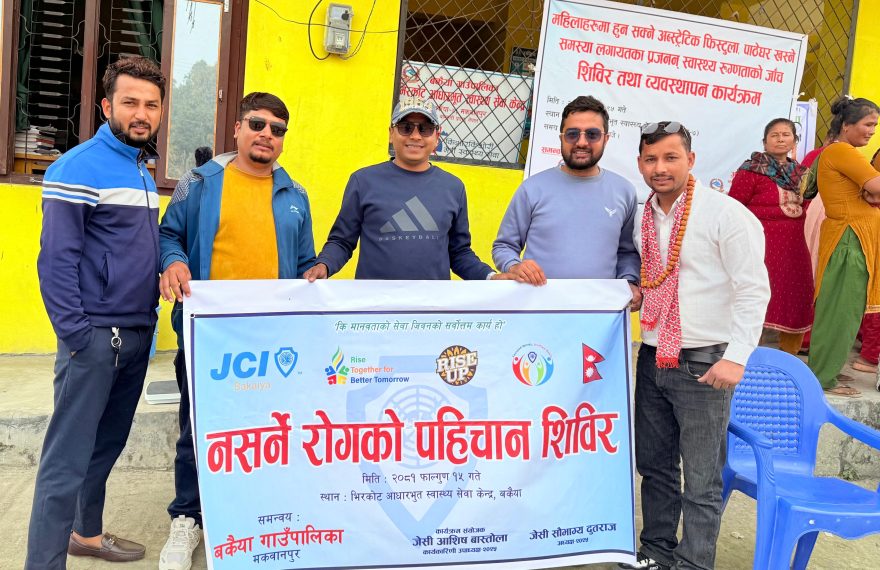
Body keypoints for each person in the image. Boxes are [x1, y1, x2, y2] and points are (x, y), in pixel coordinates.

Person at [158, 92, 315, 569]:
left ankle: (253, 514)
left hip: (272, 342)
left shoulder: (296, 195)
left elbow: (306, 262)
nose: (267, 135)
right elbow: (169, 234)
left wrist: (317, 275)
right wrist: (174, 262)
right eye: (258, 124)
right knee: (199, 427)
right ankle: (187, 517)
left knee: (266, 430)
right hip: (208, 335)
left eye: (277, 129)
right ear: (237, 128)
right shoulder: (199, 182)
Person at [27, 56, 166, 568]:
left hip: (136, 333)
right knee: (65, 462)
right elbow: (55, 261)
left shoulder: (139, 167)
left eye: (151, 104)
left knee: (104, 448)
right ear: (107, 106)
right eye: (130, 102)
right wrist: (79, 336)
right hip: (95, 341)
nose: (142, 113)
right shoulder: (77, 166)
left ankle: (85, 535)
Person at [622, 121, 770, 570]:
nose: (660, 168)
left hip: (705, 365)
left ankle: (694, 563)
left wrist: (737, 357)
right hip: (652, 357)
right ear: (640, 164)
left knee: (702, 479)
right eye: (651, 159)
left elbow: (753, 289)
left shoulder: (726, 215)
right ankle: (656, 552)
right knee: (655, 468)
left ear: (691, 160)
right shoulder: (643, 217)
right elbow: (655, 276)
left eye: (671, 157)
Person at [304, 96, 506, 281]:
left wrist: (490, 277)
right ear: (391, 133)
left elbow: (459, 253)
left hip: (431, 305)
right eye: (406, 127)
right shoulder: (363, 181)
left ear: (437, 136)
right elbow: (342, 241)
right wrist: (324, 265)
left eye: (425, 129)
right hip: (375, 304)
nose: (415, 136)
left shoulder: (453, 188)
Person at [492, 95, 641, 307]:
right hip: (539, 309)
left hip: (599, 312)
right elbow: (504, 246)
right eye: (572, 134)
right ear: (561, 137)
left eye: (592, 134)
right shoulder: (532, 189)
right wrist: (514, 266)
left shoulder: (624, 191)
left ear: (606, 139)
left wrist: (630, 281)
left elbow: (627, 252)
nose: (582, 142)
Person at [808, 96, 880, 397]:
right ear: (847, 125)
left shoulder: (842, 152)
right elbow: (876, 187)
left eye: (874, 126)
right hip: (850, 239)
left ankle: (827, 368)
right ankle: (823, 377)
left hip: (851, 237)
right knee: (841, 309)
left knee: (844, 308)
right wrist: (871, 191)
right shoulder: (842, 151)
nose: (872, 131)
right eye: (868, 124)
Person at [728, 118, 811, 354]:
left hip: (794, 245)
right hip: (760, 244)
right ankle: (748, 352)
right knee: (759, 292)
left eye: (786, 135)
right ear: (765, 142)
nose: (780, 139)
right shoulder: (752, 170)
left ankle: (787, 355)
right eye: (774, 135)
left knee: (797, 293)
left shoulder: (802, 174)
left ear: (794, 141)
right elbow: (735, 207)